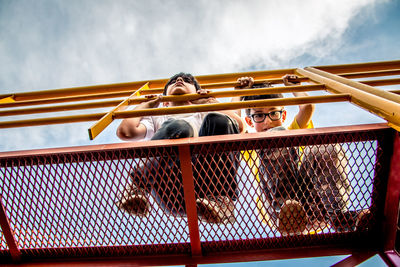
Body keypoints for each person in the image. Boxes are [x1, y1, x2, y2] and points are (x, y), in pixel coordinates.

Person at [235, 75, 369, 235]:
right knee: (275, 135)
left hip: (317, 203)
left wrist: (294, 86)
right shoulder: (250, 144)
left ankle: (339, 216)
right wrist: (239, 92)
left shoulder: (291, 130)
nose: (267, 121)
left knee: (323, 147)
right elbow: (235, 123)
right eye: (258, 115)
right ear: (250, 121)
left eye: (273, 113)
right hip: (280, 211)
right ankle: (287, 209)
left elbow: (307, 108)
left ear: (283, 116)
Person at [116, 72, 244, 224]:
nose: (179, 80)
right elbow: (126, 132)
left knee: (219, 119)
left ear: (196, 94)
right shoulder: (158, 117)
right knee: (180, 127)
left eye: (187, 80)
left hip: (206, 185)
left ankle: (220, 199)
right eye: (173, 81)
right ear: (165, 102)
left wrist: (209, 102)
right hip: (172, 190)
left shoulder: (206, 112)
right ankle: (139, 186)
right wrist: (144, 106)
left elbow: (238, 126)